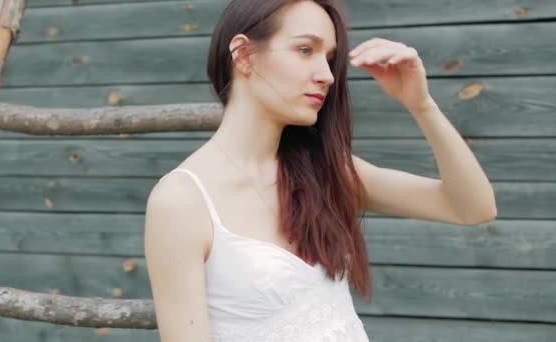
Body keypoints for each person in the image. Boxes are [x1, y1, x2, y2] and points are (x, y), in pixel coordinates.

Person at [143, 0, 497, 341]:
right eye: (304, 50)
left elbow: (471, 207)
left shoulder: (324, 170)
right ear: (244, 54)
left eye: (329, 58)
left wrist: (421, 105)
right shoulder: (182, 201)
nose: (327, 75)